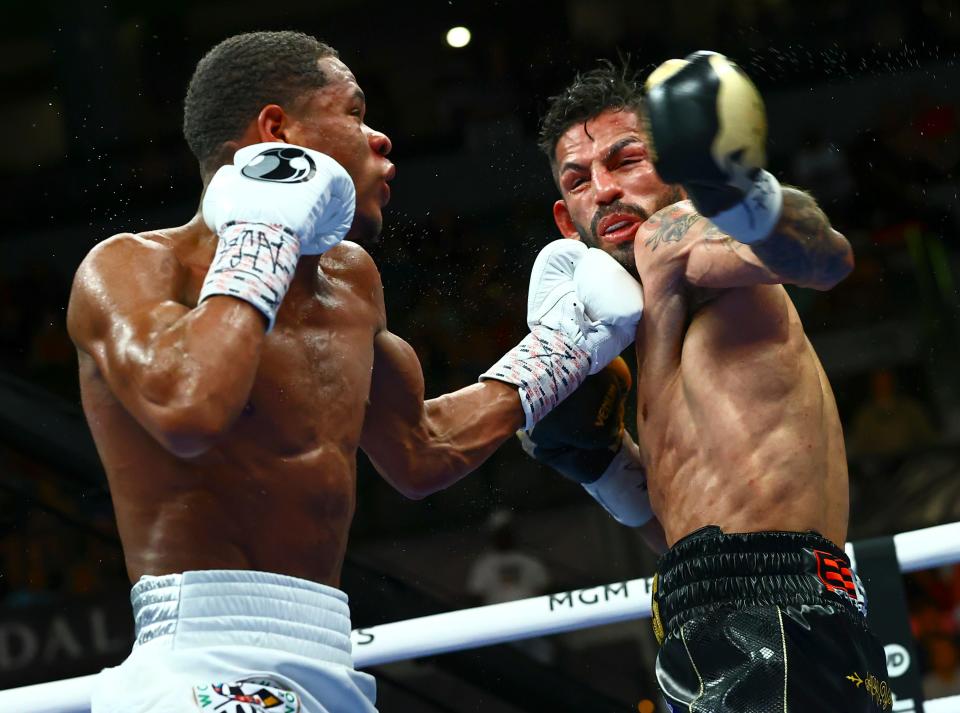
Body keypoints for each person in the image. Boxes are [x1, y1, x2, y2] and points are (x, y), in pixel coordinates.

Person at [65, 31, 644, 713]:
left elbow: (420, 450)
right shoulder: (129, 267)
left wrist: (563, 346)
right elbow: (189, 407)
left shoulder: (352, 281)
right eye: (353, 112)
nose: (381, 139)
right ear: (275, 130)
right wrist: (262, 232)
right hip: (199, 660)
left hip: (326, 659)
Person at [529, 52, 889, 711]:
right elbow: (694, 530)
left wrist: (738, 190)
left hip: (775, 611)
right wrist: (605, 465)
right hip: (706, 608)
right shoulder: (635, 313)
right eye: (579, 179)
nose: (604, 189)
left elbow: (824, 256)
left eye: (625, 159)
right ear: (564, 218)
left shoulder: (678, 234)